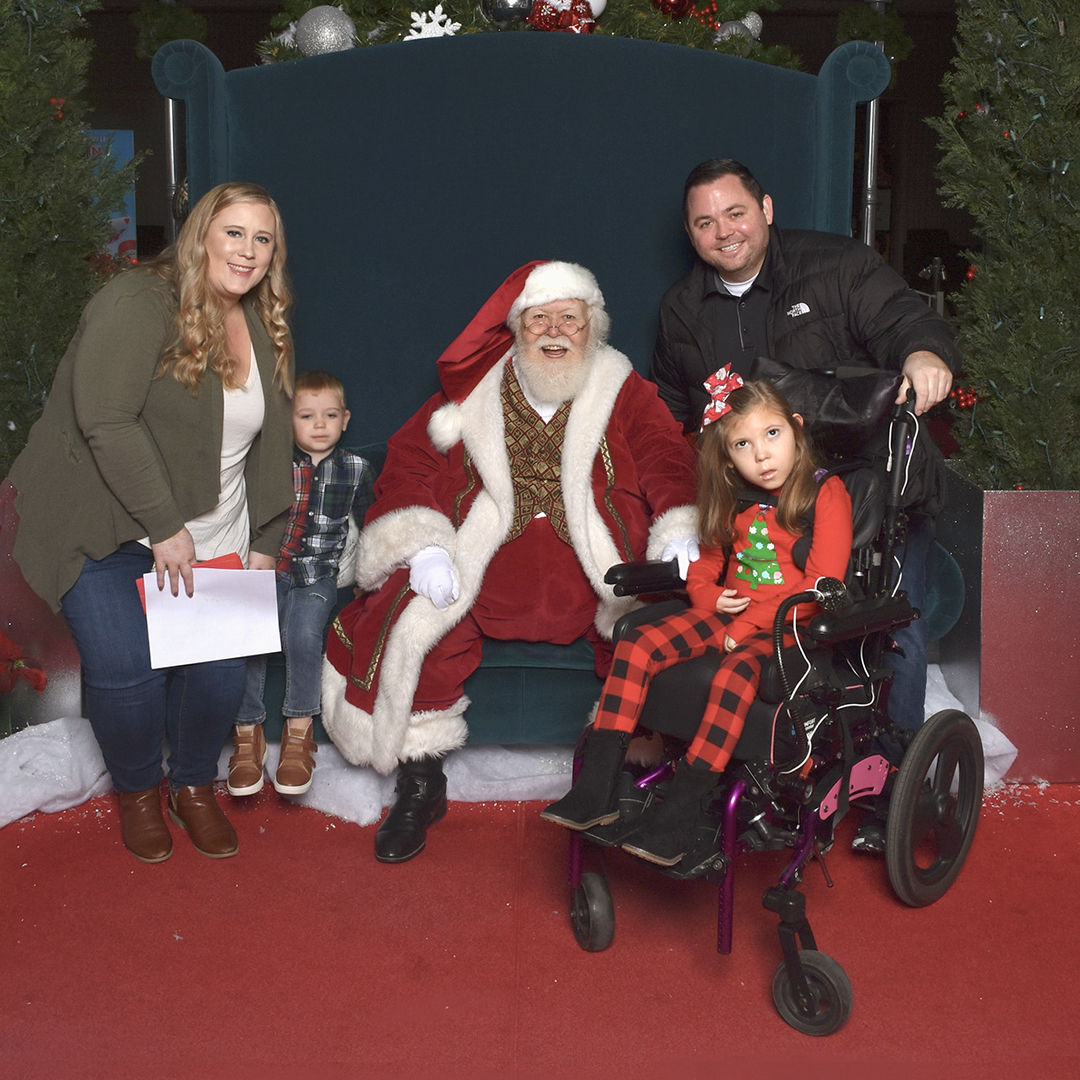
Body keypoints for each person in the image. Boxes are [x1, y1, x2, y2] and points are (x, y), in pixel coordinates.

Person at [321, 260, 700, 864]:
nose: (554, 332)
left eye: (569, 320)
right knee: (423, 620)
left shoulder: (620, 385)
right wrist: (423, 545)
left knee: (642, 628)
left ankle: (620, 771)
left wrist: (678, 523)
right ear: (518, 329)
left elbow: (664, 453)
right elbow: (412, 459)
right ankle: (422, 782)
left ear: (591, 327)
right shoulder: (474, 390)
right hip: (488, 560)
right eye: (539, 319)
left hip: (596, 566)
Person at [8, 182, 295, 863]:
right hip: (115, 527)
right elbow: (103, 418)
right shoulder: (138, 302)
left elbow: (271, 437)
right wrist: (165, 525)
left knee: (220, 678)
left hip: (216, 534)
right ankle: (138, 791)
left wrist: (264, 539)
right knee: (125, 674)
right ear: (201, 233)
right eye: (234, 232)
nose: (248, 251)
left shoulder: (258, 316)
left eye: (263, 239)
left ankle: (192, 785)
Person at [651, 158, 962, 741]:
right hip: (759, 504)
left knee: (891, 631)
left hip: (870, 489)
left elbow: (902, 318)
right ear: (690, 234)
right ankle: (768, 762)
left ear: (766, 210)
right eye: (704, 222)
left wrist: (922, 352)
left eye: (736, 212)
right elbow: (673, 410)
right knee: (747, 629)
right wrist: (680, 508)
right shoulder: (681, 309)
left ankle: (890, 784)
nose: (724, 231)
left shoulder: (835, 265)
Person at [541, 372, 853, 868]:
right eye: (744, 445)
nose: (763, 455)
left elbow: (818, 589)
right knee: (639, 642)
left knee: (731, 675)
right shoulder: (733, 497)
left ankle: (682, 812)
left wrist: (742, 630)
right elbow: (706, 570)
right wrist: (711, 599)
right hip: (731, 615)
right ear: (728, 457)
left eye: (773, 435)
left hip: (786, 634)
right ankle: (597, 789)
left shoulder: (826, 495)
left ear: (796, 428)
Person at [228, 370, 372, 799]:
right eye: (307, 416)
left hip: (318, 574)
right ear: (289, 422)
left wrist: (367, 577)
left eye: (330, 415)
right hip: (268, 570)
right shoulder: (273, 467)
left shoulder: (357, 469)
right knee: (251, 633)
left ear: (345, 419)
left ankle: (298, 730)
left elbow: (370, 524)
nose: (320, 424)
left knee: (303, 633)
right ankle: (247, 731)